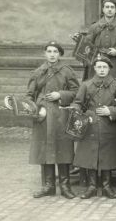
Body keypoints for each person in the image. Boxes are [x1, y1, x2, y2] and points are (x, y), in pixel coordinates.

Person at [28, 41, 80, 199]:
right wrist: (37, 109)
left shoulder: (67, 71)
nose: (52, 54)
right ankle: (48, 185)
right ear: (45, 53)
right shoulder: (38, 72)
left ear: (60, 54)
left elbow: (76, 91)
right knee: (45, 150)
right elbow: (29, 96)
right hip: (43, 117)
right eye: (49, 51)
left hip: (61, 115)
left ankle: (65, 186)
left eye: (55, 51)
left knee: (63, 148)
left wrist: (60, 95)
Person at [73, 55, 116, 199]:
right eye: (99, 67)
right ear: (94, 68)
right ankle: (91, 186)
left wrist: (111, 111)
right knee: (91, 155)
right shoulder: (86, 85)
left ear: (109, 68)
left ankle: (107, 186)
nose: (102, 70)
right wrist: (77, 111)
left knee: (107, 156)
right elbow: (78, 102)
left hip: (109, 125)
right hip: (90, 124)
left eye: (105, 67)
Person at [83, 0, 116, 89]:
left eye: (112, 7)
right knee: (94, 86)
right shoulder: (94, 27)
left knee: (115, 86)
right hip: (97, 60)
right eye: (107, 7)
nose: (109, 9)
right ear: (103, 9)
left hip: (115, 63)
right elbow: (88, 44)